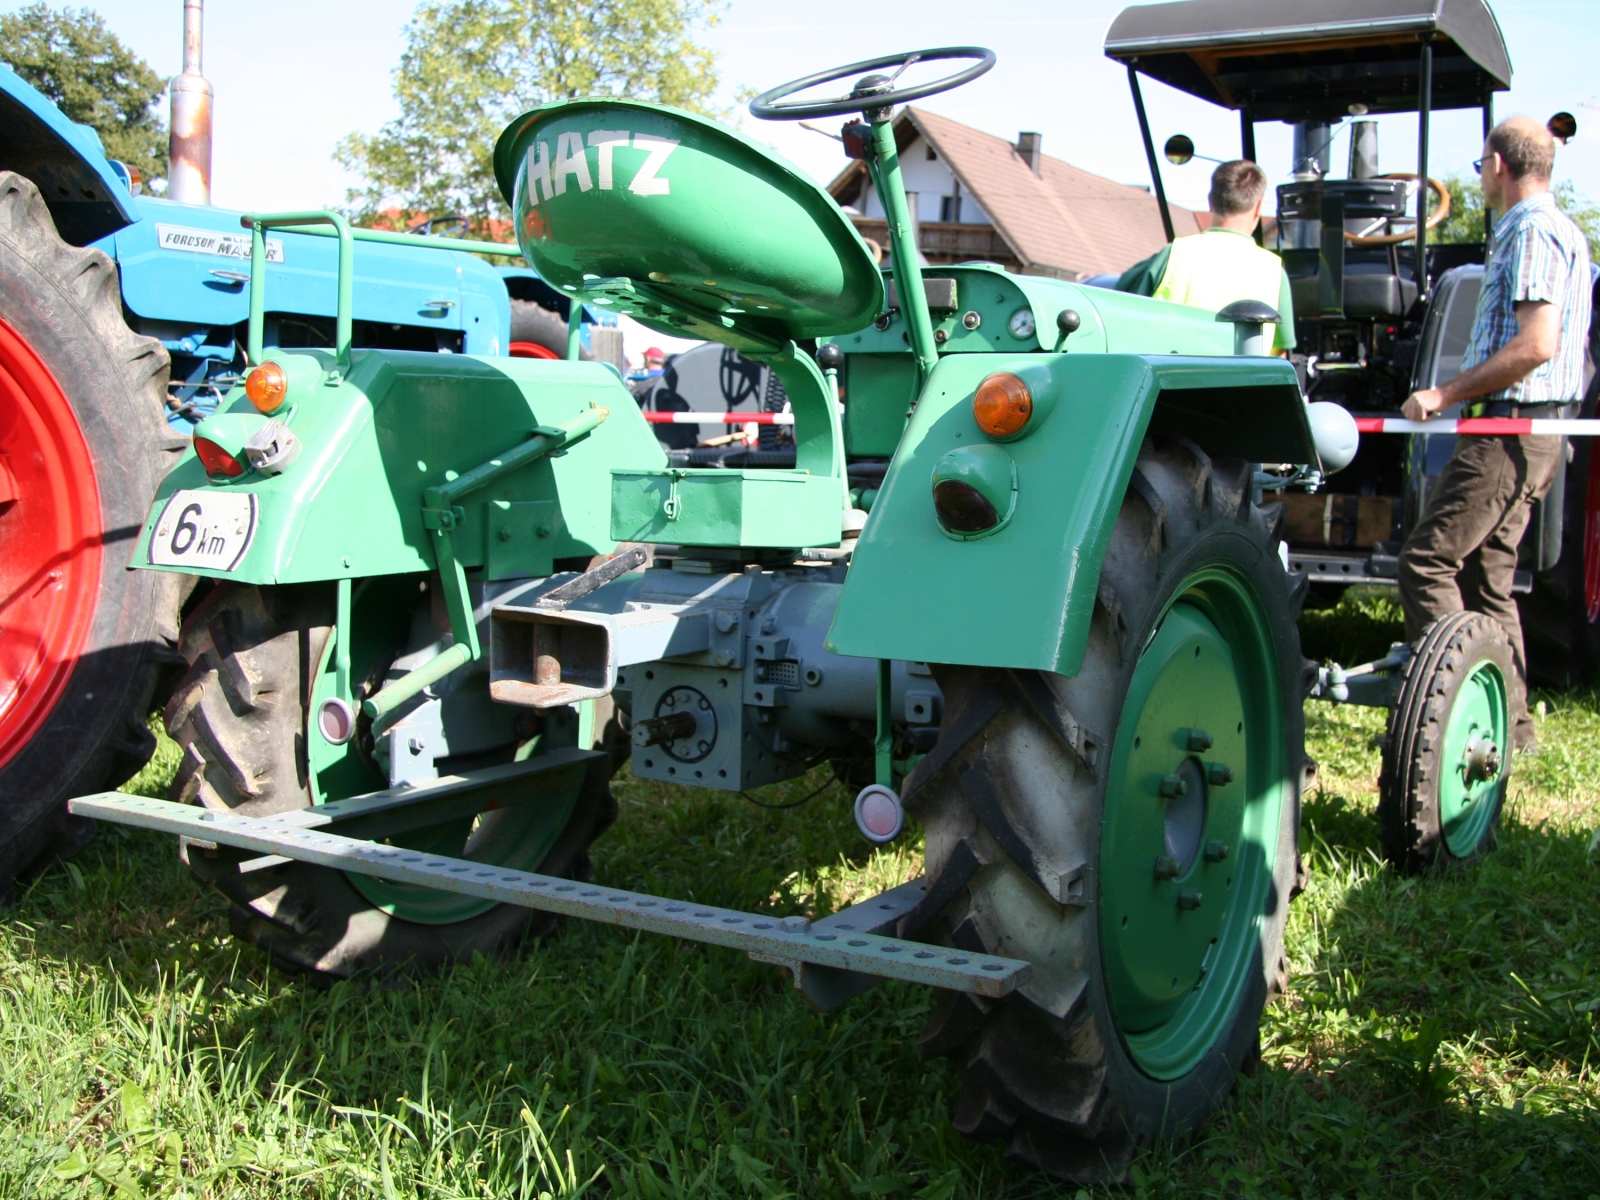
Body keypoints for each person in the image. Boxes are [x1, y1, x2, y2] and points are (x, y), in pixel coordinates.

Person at [1398, 115, 1593, 751]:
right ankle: (1515, 727)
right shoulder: (1561, 228)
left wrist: (1444, 393)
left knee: (1427, 562)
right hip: (1532, 432)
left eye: (1481, 164)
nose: (1481, 175)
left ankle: (1456, 717)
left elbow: (1537, 344)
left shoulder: (1531, 229)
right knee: (1487, 578)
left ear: (1499, 165)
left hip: (1507, 430)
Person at [1116, 159, 1296, 354]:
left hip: (1172, 373)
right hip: (1243, 375)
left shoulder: (1173, 255)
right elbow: (1280, 352)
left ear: (1210, 200)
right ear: (1259, 206)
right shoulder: (1274, 271)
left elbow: (1117, 308)